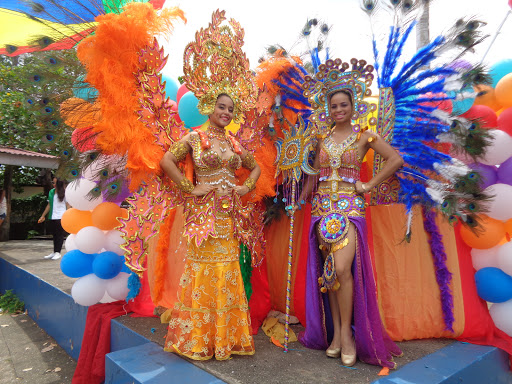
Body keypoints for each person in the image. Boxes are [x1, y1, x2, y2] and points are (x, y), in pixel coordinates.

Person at [157, 10, 265, 361]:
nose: (226, 113)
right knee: (202, 272)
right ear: (209, 107)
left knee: (228, 272)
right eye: (221, 107)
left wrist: (245, 186)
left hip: (229, 217)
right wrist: (191, 189)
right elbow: (166, 162)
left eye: (231, 109)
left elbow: (256, 168)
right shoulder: (194, 137)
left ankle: (226, 340)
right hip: (203, 217)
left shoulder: (234, 145)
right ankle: (199, 339)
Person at [297, 61, 403, 368]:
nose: (339, 109)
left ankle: (347, 334)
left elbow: (395, 160)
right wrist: (298, 202)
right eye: (334, 105)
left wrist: (367, 184)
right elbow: (314, 174)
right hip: (320, 209)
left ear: (353, 106)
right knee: (330, 272)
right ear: (327, 109)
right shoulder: (321, 138)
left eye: (344, 104)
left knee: (343, 268)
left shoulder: (364, 137)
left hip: (350, 208)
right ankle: (334, 336)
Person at [38, 178, 69, 260]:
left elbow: (68, 205)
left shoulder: (65, 192)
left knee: (59, 235)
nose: (53, 184)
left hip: (61, 216)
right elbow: (49, 205)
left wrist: (68, 216)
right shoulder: (51, 191)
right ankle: (54, 251)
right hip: (52, 216)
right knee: (54, 235)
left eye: (55, 183)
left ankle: (58, 252)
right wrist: (43, 215)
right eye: (53, 182)